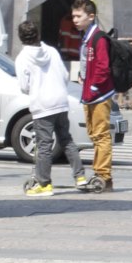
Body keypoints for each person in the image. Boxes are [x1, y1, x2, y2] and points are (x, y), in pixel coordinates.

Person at [15, 21, 88, 197]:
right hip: (61, 101)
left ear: (21, 38)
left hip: (42, 104)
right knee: (66, 140)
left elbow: (24, 86)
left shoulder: (22, 58)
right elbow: (64, 75)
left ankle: (44, 183)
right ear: (38, 35)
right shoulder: (52, 51)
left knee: (44, 145)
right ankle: (80, 177)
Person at [71, 0, 114, 191]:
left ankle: (103, 175)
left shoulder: (98, 38)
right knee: (94, 134)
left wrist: (94, 87)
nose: (75, 20)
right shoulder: (87, 37)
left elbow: (103, 67)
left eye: (79, 16)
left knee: (101, 134)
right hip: (89, 93)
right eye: (74, 16)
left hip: (99, 94)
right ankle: (99, 173)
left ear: (91, 16)